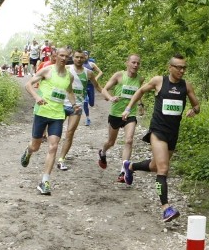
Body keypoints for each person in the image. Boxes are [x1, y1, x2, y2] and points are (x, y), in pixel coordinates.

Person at [121, 54, 200, 222]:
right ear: (169, 67)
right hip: (158, 131)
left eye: (184, 67)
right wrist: (128, 108)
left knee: (155, 166)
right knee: (164, 169)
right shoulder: (159, 81)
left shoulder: (186, 86)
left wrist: (194, 110)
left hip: (173, 132)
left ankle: (131, 166)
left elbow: (197, 105)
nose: (181, 70)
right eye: (178, 67)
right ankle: (166, 208)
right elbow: (140, 91)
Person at [20, 47, 78, 195]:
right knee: (36, 146)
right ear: (55, 56)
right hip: (41, 112)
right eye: (61, 55)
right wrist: (37, 97)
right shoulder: (47, 71)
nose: (64, 59)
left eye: (66, 56)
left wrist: (73, 104)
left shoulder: (69, 76)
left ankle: (45, 181)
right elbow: (28, 85)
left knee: (53, 147)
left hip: (57, 115)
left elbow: (70, 91)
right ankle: (29, 151)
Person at [98, 54, 144, 182]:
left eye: (138, 63)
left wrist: (140, 104)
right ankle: (103, 152)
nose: (135, 65)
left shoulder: (140, 78)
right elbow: (104, 89)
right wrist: (110, 97)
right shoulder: (119, 75)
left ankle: (123, 171)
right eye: (133, 62)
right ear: (127, 63)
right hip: (115, 113)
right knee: (111, 142)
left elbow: (139, 93)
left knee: (129, 140)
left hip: (130, 113)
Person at [56, 49, 103, 171]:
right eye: (77, 57)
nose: (79, 59)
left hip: (77, 106)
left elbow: (97, 86)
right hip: (61, 104)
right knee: (55, 132)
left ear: (85, 58)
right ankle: (51, 151)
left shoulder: (89, 73)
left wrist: (109, 96)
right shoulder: (66, 68)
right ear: (73, 57)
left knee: (70, 132)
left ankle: (61, 159)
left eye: (81, 57)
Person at [82, 54, 103, 126]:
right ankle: (87, 118)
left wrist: (95, 78)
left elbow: (100, 72)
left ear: (88, 56)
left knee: (91, 103)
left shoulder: (91, 64)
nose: (85, 56)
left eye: (86, 55)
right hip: (83, 86)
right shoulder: (80, 64)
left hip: (91, 86)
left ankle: (89, 103)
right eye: (83, 55)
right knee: (85, 101)